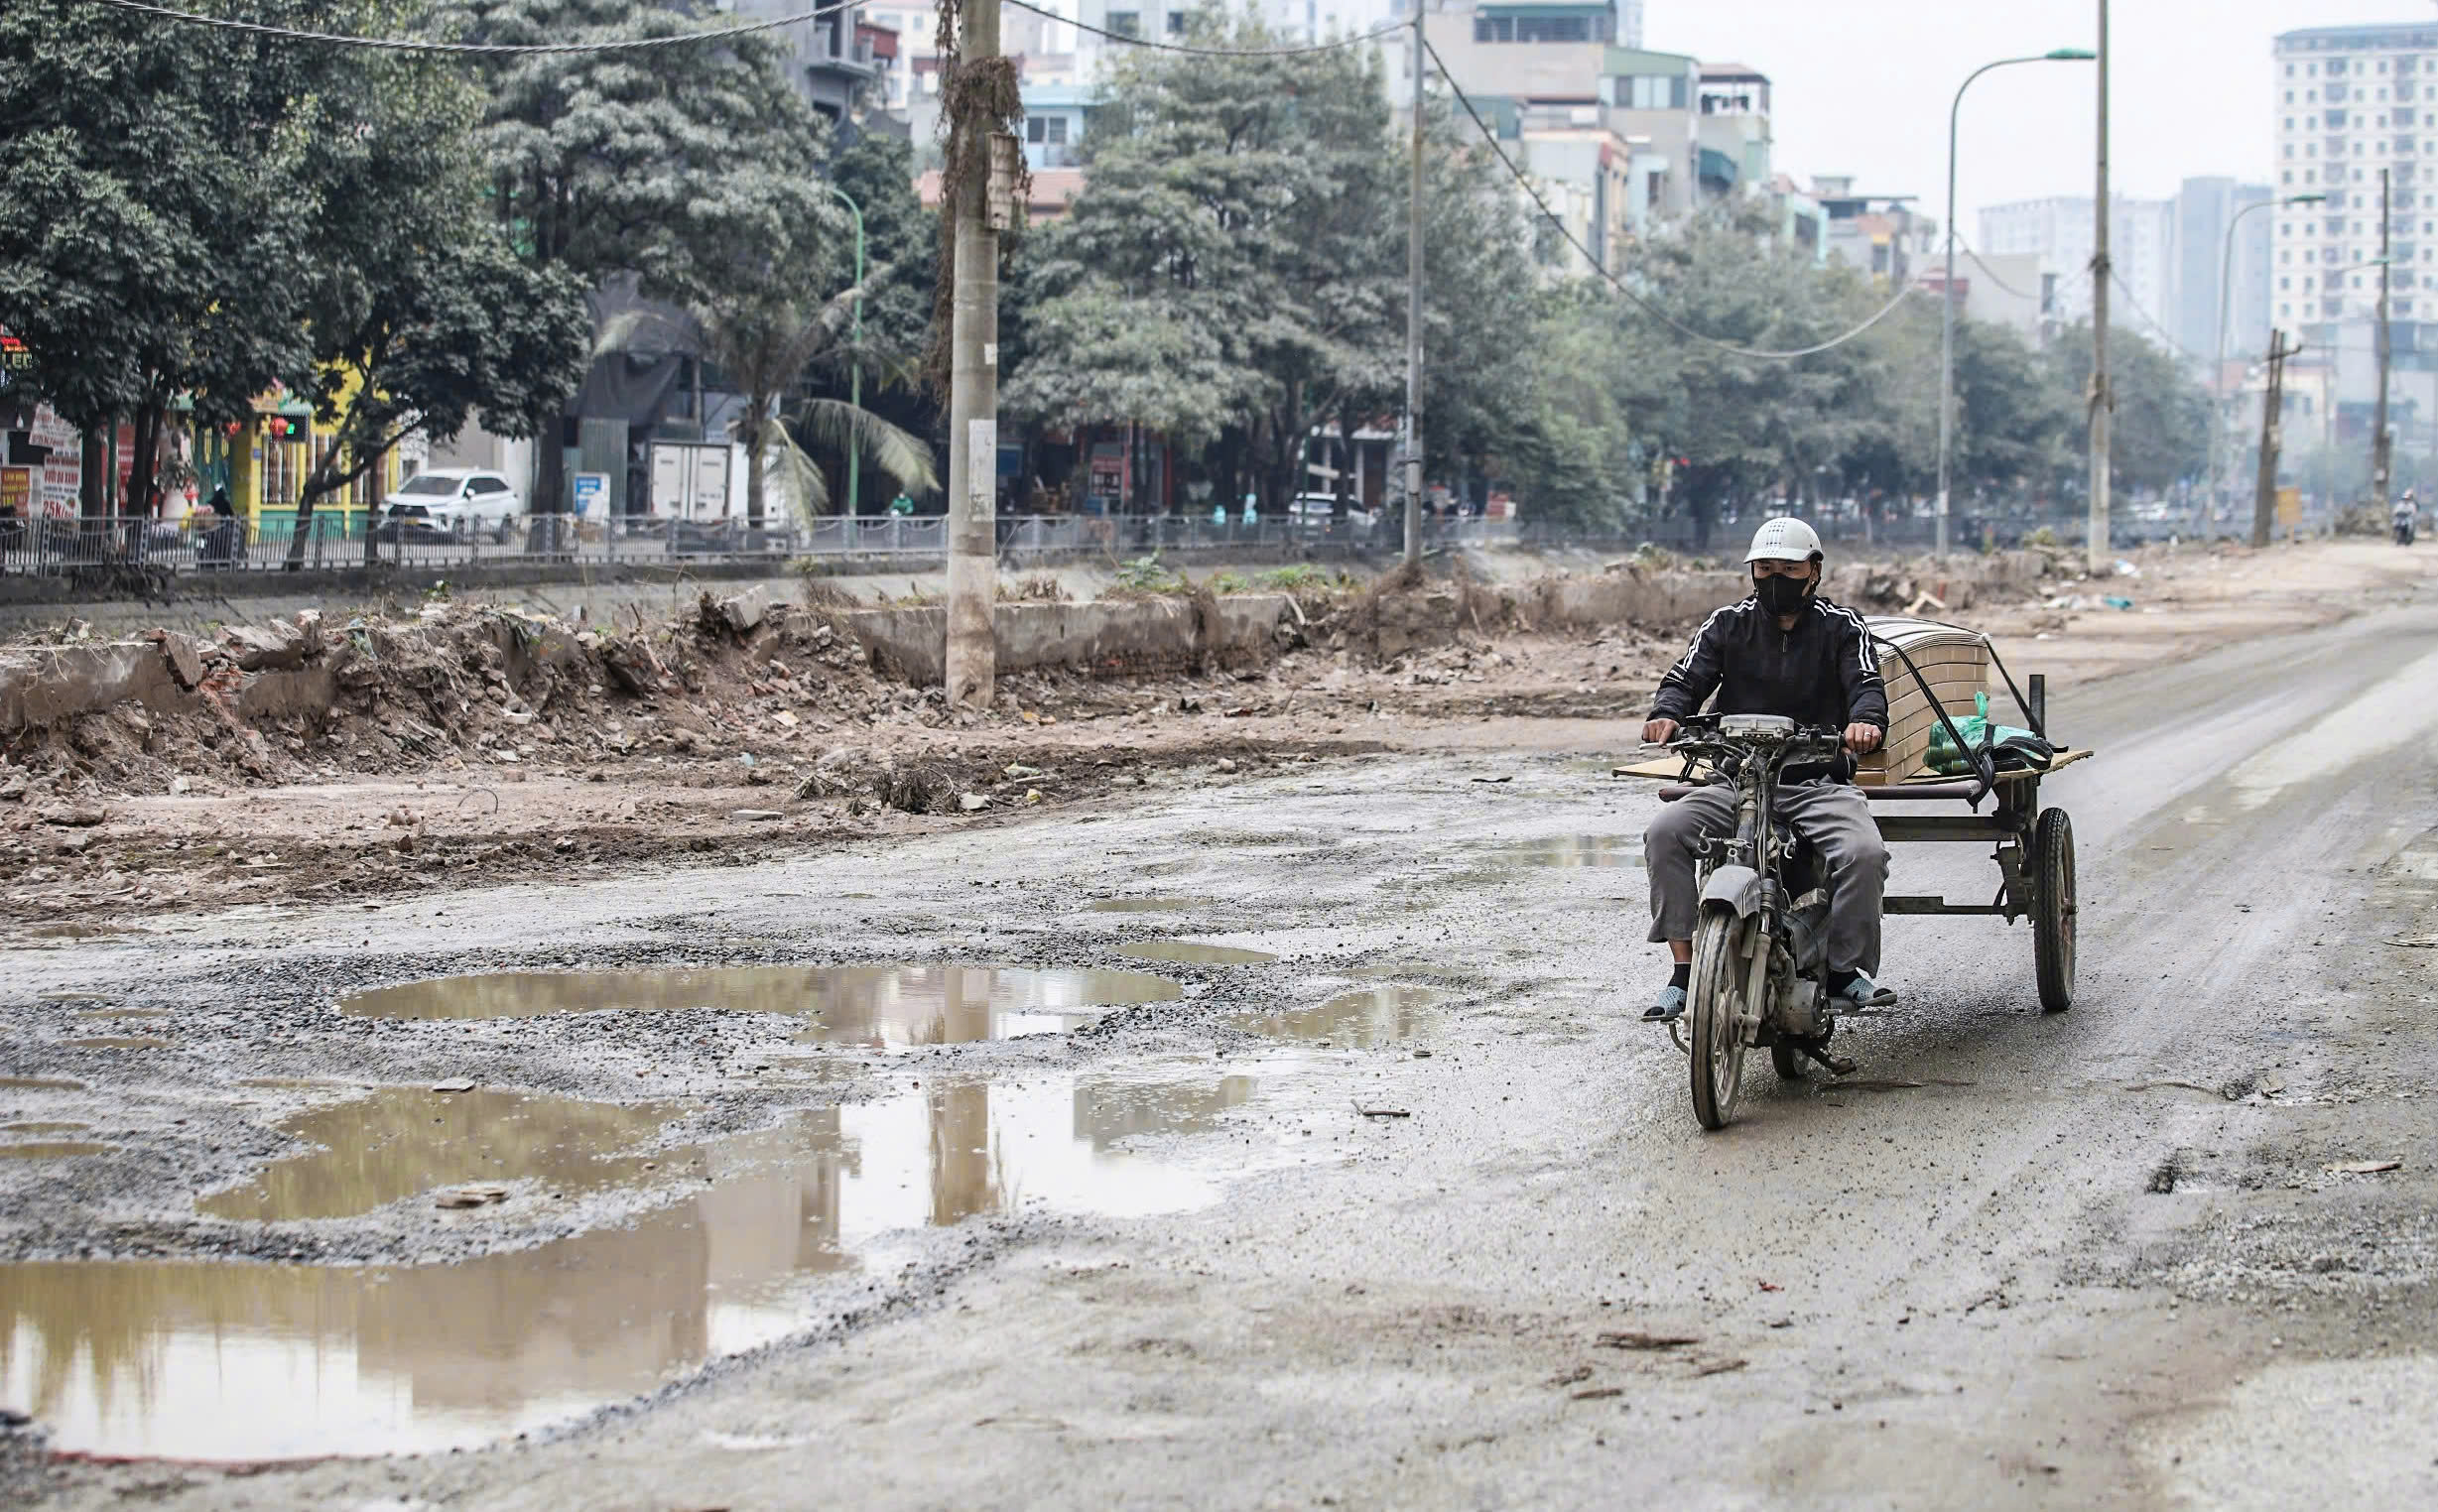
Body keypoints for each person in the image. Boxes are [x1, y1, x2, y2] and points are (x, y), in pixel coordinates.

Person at [1639, 518, 1894, 1023]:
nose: (1776, 578)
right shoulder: (1726, 624)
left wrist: (1865, 722)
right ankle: (1684, 973)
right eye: (1765, 568)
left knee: (1864, 854)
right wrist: (1666, 712)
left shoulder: (1843, 627)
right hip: (1738, 781)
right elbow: (1685, 679)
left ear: (1814, 571)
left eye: (1789, 569)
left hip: (1817, 783)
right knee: (1664, 833)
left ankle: (1844, 973)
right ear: (1752, 572)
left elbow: (1866, 685)